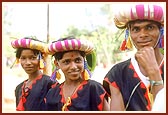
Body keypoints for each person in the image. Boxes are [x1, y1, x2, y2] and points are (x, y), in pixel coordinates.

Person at [103, 4, 164, 111]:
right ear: (129, 34)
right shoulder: (118, 73)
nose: (143, 34)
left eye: (150, 27)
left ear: (161, 31)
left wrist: (154, 72)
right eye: (136, 29)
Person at [45, 36, 109, 111]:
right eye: (67, 62)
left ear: (84, 61)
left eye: (78, 60)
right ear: (57, 64)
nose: (73, 67)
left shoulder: (94, 88)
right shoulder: (52, 93)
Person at [11, 37, 56, 111]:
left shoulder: (50, 84)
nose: (27, 63)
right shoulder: (19, 88)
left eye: (33, 58)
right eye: (23, 58)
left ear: (41, 59)